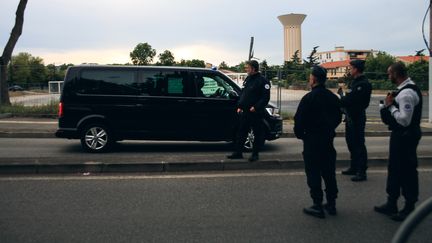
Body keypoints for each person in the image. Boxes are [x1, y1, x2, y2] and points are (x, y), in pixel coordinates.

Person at [374, 62, 422, 221]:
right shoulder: (406, 89)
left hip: (405, 136)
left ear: (396, 74)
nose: (389, 77)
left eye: (389, 74)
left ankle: (409, 207)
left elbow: (404, 120)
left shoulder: (406, 93)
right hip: (401, 136)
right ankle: (391, 202)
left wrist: (390, 107)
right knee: (394, 168)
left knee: (407, 171)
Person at [294, 66, 342, 218]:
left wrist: (301, 135)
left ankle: (317, 204)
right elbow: (338, 117)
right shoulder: (333, 97)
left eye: (310, 77)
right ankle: (332, 203)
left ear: (313, 79)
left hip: (312, 141)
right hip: (327, 139)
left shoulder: (308, 98)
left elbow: (299, 120)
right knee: (329, 173)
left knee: (313, 172)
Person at [227, 60, 270, 162]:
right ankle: (238, 153)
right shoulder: (248, 79)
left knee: (256, 133)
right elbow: (244, 94)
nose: (246, 69)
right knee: (241, 132)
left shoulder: (263, 81)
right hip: (245, 111)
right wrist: (240, 106)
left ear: (253, 68)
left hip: (255, 112)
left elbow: (265, 98)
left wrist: (256, 107)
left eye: (248, 68)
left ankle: (255, 154)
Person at [338, 59, 372, 182]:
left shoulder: (362, 84)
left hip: (357, 117)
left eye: (351, 68)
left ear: (356, 69)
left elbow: (352, 101)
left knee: (358, 144)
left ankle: (361, 171)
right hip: (351, 117)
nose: (349, 70)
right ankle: (354, 167)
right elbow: (350, 99)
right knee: (351, 143)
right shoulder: (355, 82)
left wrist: (342, 98)